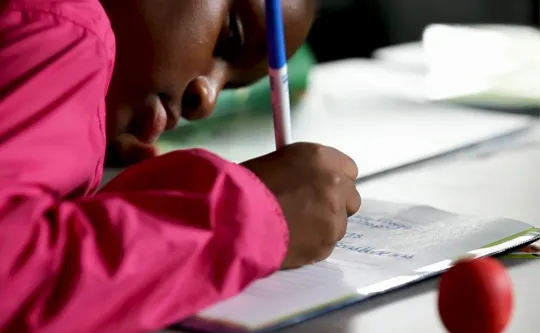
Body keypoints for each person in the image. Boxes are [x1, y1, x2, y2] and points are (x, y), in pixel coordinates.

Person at [0, 0, 361, 332]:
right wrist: (248, 215)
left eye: (229, 85)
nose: (205, 100)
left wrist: (85, 141)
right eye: (230, 35)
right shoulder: (64, 28)